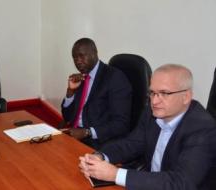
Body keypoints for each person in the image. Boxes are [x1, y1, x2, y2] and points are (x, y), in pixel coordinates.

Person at [79, 64, 216, 190]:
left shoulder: (204, 130)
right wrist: (100, 156)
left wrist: (115, 174)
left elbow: (181, 182)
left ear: (186, 97)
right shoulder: (153, 112)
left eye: (164, 93)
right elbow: (131, 144)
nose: (155, 101)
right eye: (152, 93)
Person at [61, 38, 132, 149]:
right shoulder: (81, 78)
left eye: (82, 56)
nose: (78, 61)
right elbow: (67, 117)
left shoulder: (115, 78)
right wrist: (70, 92)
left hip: (97, 141)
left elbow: (121, 124)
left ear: (94, 53)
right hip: (73, 134)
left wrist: (87, 132)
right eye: (75, 57)